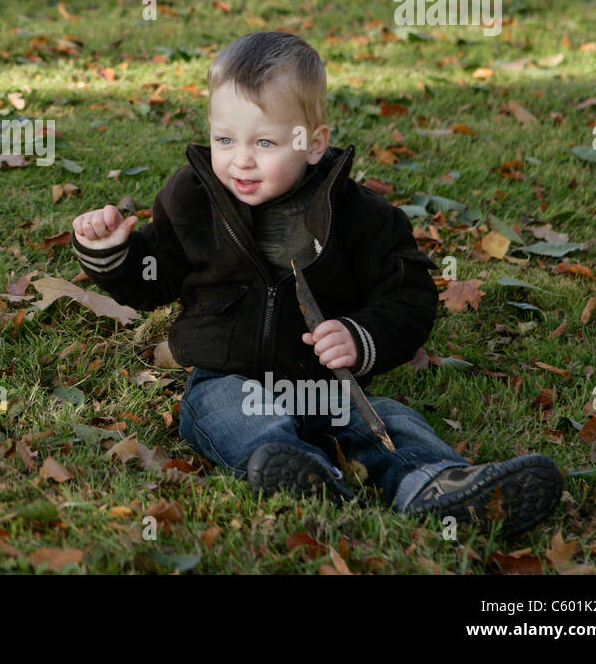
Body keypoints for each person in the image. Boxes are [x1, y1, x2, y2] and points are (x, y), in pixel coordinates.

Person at [71, 31, 562, 536]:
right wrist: (112, 255)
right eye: (225, 139)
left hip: (327, 387)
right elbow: (152, 277)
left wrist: (360, 335)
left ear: (314, 143)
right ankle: (304, 474)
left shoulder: (362, 217)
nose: (240, 159)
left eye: (264, 142)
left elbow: (409, 297)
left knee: (387, 421)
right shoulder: (193, 199)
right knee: (233, 418)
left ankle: (439, 483)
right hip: (226, 378)